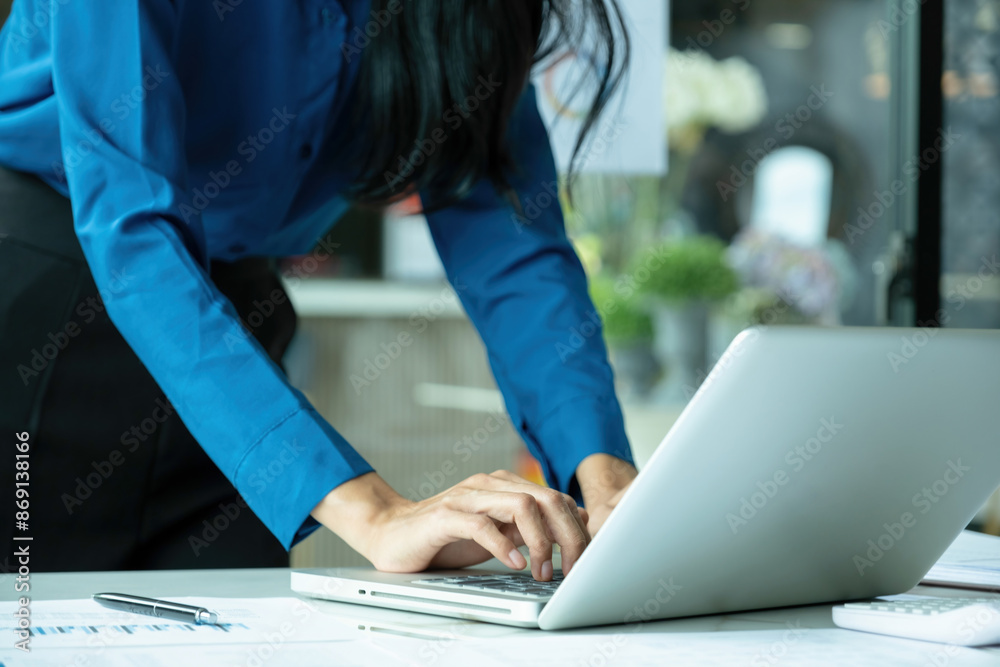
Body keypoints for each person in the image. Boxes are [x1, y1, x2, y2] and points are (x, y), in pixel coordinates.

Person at [0, 0, 638, 581]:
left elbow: (511, 240)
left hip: (234, 345)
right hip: (42, 310)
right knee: (29, 627)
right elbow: (131, 232)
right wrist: (377, 514)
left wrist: (602, 472)